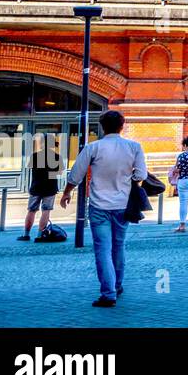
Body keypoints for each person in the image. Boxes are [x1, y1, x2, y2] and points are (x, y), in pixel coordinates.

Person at [60, 110, 147, 308]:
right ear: (122, 126)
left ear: (102, 126)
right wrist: (126, 181)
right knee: (119, 245)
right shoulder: (134, 147)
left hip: (99, 205)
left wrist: (67, 192)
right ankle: (117, 285)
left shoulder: (93, 147)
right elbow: (141, 173)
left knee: (102, 248)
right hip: (123, 204)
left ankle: (108, 294)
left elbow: (76, 174)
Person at [19, 134, 61, 242]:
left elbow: (31, 168)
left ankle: (26, 234)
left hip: (36, 187)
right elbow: (58, 172)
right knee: (46, 211)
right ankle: (39, 235)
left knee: (31, 210)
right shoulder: (57, 157)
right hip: (50, 187)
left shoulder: (35, 156)